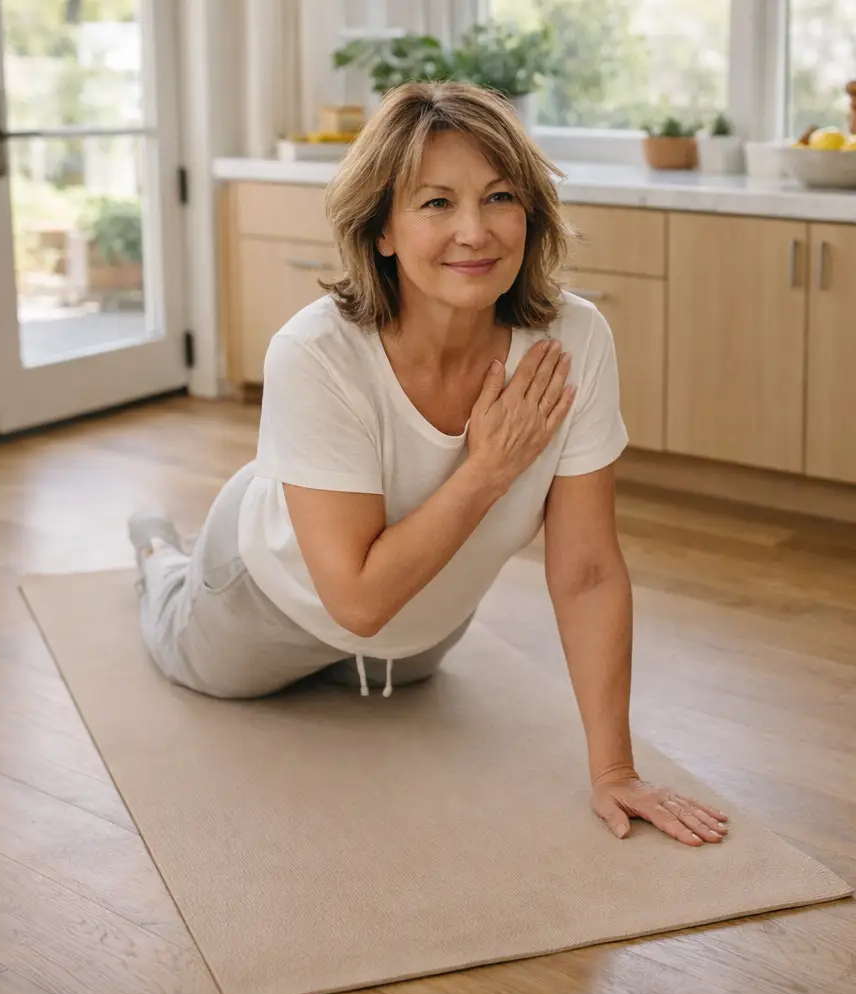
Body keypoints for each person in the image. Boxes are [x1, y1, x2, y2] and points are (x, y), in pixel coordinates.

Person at [129, 81, 729, 848]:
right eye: (436, 203)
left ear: (531, 214)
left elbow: (586, 571)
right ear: (382, 228)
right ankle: (156, 553)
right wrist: (487, 469)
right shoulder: (315, 354)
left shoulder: (574, 341)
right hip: (270, 593)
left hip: (413, 634)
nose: (475, 231)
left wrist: (615, 770)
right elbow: (356, 601)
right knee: (186, 650)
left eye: (500, 197)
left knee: (399, 677)